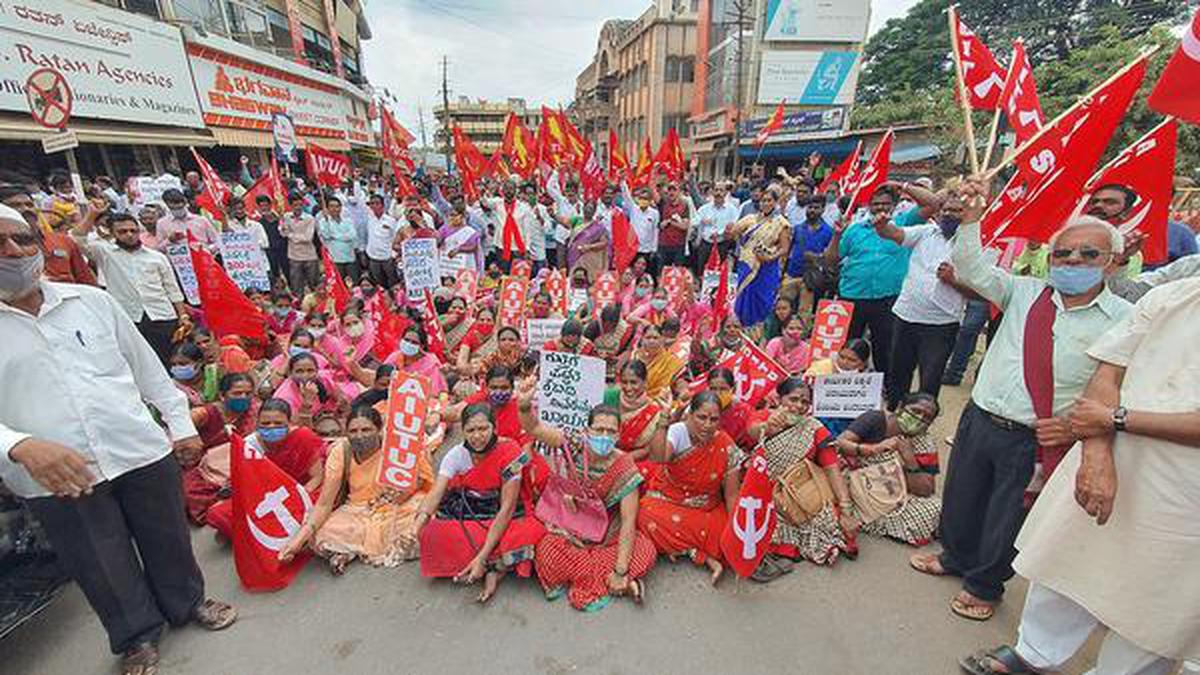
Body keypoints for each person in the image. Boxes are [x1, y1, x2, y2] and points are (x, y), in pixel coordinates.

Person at [0, 204, 235, 675]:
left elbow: (147, 368)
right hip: (56, 472)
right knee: (98, 559)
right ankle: (135, 636)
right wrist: (17, 444)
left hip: (137, 447)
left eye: (21, 239)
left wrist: (181, 426)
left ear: (40, 243)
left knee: (168, 537)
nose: (11, 251)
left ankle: (185, 603)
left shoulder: (90, 302)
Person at [910, 181, 1133, 622]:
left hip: (1037, 435)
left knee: (1007, 515)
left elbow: (1119, 386)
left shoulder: (1123, 321)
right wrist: (972, 218)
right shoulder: (1025, 292)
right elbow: (971, 269)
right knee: (961, 496)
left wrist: (1076, 427)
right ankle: (954, 556)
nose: (1073, 262)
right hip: (981, 417)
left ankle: (984, 584)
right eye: (1063, 254)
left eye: (1088, 255)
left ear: (1112, 264)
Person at [962, 278, 1200, 675]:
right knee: (1068, 561)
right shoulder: (1176, 294)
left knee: (1158, 603)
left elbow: (1107, 411)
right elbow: (1109, 373)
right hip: (1112, 456)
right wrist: (1097, 449)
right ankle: (1034, 656)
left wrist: (1116, 421)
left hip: (1185, 495)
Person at [517, 392, 655, 611]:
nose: (604, 435)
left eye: (610, 432)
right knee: (546, 550)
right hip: (571, 529)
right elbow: (535, 430)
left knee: (645, 550)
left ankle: (603, 576)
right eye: (598, 429)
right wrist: (525, 407)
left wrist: (620, 569)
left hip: (608, 534)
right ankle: (614, 581)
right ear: (586, 431)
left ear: (618, 435)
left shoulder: (625, 466)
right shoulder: (574, 444)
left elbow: (628, 521)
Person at [413, 403, 546, 603]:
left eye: (483, 429)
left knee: (530, 533)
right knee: (432, 533)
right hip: (472, 510)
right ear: (463, 431)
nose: (477, 436)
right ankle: (493, 563)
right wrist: (419, 521)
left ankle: (491, 567)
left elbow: (507, 508)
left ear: (494, 428)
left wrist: (482, 556)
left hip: (505, 514)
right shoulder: (456, 454)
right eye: (471, 430)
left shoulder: (512, 453)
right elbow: (437, 491)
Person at [279, 406, 433, 574]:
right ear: (346, 433)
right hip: (358, 510)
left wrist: (398, 496)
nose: (359, 436)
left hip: (399, 504)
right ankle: (348, 551)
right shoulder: (341, 452)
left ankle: (348, 551)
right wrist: (296, 543)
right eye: (353, 431)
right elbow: (324, 504)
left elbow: (419, 479)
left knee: (422, 520)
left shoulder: (397, 445)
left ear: (379, 429)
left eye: (366, 430)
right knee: (323, 532)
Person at [871, 184, 974, 408]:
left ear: (966, 214)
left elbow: (980, 293)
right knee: (898, 373)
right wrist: (882, 227)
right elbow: (895, 233)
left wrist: (954, 281)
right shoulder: (926, 232)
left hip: (941, 324)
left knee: (930, 379)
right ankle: (893, 417)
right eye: (945, 209)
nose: (949, 214)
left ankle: (918, 426)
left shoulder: (972, 244)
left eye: (956, 210)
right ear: (938, 212)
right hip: (906, 316)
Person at [752, 377, 850, 580]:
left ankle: (779, 550)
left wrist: (846, 507)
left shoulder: (814, 428)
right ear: (780, 398)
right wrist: (768, 427)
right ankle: (776, 550)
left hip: (796, 495)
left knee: (830, 522)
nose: (798, 406)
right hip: (763, 492)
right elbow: (750, 431)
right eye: (793, 399)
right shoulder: (764, 416)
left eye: (805, 402)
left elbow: (832, 469)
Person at [639, 392, 741, 585]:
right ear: (690, 415)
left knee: (726, 537)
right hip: (668, 501)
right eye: (702, 417)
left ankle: (680, 547)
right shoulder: (678, 431)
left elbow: (732, 494)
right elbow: (658, 458)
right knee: (643, 515)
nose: (707, 424)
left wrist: (736, 531)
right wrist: (663, 420)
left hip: (705, 509)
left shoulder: (726, 445)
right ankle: (699, 554)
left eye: (714, 419)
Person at [71, 211, 188, 365]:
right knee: (137, 363)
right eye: (122, 231)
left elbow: (172, 290)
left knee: (168, 360)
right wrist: (92, 213)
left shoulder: (157, 257)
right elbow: (77, 238)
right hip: (129, 318)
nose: (129, 235)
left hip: (162, 316)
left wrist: (183, 316)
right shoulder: (104, 253)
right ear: (113, 233)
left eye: (133, 231)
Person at [824, 186, 913, 382]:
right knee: (846, 347)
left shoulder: (904, 226)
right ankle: (839, 390)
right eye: (875, 204)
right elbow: (831, 259)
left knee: (885, 348)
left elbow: (932, 204)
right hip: (852, 297)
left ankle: (884, 391)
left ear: (894, 206)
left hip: (887, 299)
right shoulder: (854, 230)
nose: (880, 207)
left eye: (885, 204)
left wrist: (905, 186)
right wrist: (837, 235)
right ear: (868, 206)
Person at [203, 399, 327, 538]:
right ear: (257, 424)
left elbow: (317, 477)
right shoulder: (249, 445)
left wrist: (297, 498)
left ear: (289, 423)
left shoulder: (302, 436)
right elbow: (248, 486)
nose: (272, 427)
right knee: (217, 514)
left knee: (324, 501)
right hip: (267, 498)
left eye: (278, 423)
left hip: (302, 492)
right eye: (266, 424)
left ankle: (274, 531)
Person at [832, 392, 943, 547]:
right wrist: (873, 449)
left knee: (936, 508)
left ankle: (878, 518)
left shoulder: (924, 442)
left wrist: (909, 459)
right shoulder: (875, 419)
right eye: (915, 411)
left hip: (894, 492)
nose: (919, 418)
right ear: (899, 408)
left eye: (926, 417)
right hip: (858, 485)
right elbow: (840, 443)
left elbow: (925, 489)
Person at [0, 183, 95, 286]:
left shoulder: (63, 241)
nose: (26, 209)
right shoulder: (6, 250)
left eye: (29, 204)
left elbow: (87, 282)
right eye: (14, 205)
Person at [728, 185, 791, 328]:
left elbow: (785, 248)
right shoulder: (750, 219)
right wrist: (740, 241)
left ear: (775, 203)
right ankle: (740, 328)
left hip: (766, 267)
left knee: (763, 299)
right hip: (746, 264)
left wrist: (770, 257)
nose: (766, 203)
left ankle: (760, 331)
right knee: (744, 297)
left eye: (769, 201)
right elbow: (732, 233)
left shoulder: (781, 223)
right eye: (763, 200)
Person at [603, 360, 668, 461]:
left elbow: (647, 449)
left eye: (633, 382)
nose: (628, 388)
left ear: (645, 383)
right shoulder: (608, 396)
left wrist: (620, 459)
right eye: (624, 382)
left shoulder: (653, 412)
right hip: (601, 454)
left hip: (631, 463)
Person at [384, 324, 448, 397]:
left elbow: (433, 392)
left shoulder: (431, 363)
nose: (409, 344)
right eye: (406, 340)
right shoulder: (395, 357)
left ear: (422, 346)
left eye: (414, 342)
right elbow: (382, 378)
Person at [691, 180, 740, 274]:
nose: (718, 193)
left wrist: (722, 232)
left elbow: (735, 225)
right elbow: (694, 222)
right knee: (702, 271)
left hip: (722, 244)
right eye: (716, 190)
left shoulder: (732, 210)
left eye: (721, 190)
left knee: (720, 272)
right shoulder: (705, 208)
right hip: (706, 245)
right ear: (712, 192)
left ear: (726, 193)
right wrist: (702, 220)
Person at [625, 323, 683, 400]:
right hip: (631, 399)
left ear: (662, 339)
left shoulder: (671, 361)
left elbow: (678, 383)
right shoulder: (634, 356)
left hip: (659, 402)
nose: (651, 341)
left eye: (655, 338)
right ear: (642, 339)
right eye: (648, 337)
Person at [281, 198, 321, 295]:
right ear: (290, 206)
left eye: (300, 205)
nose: (298, 208)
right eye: (295, 205)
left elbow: (308, 238)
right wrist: (288, 233)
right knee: (296, 286)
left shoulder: (310, 218)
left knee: (314, 284)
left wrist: (290, 235)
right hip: (294, 256)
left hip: (310, 256)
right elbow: (282, 233)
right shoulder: (286, 217)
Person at [318, 195, 360, 283]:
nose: (334, 209)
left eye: (337, 206)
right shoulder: (323, 221)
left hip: (350, 258)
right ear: (327, 208)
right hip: (335, 260)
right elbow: (326, 235)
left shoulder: (348, 221)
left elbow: (352, 235)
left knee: (353, 285)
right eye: (331, 206)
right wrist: (326, 222)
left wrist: (335, 236)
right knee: (339, 286)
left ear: (341, 208)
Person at [364, 193, 400, 288]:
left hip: (387, 257)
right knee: (378, 282)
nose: (374, 206)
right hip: (373, 257)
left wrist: (393, 255)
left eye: (377, 203)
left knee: (393, 281)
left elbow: (396, 238)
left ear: (382, 205)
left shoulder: (390, 220)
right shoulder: (369, 219)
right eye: (372, 204)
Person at [255, 193, 289, 284]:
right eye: (261, 206)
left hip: (284, 251)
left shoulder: (281, 219)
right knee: (275, 278)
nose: (264, 208)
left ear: (270, 205)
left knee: (289, 275)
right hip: (269, 253)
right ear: (258, 207)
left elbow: (286, 234)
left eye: (266, 205)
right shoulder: (258, 224)